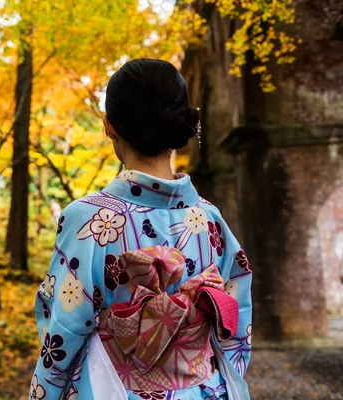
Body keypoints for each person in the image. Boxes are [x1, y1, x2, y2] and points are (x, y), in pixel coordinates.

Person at [30, 59, 252, 400]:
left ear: (109, 126)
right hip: (207, 390)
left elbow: (64, 330)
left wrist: (42, 394)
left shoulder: (89, 221)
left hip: (112, 390)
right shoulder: (210, 219)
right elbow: (236, 324)